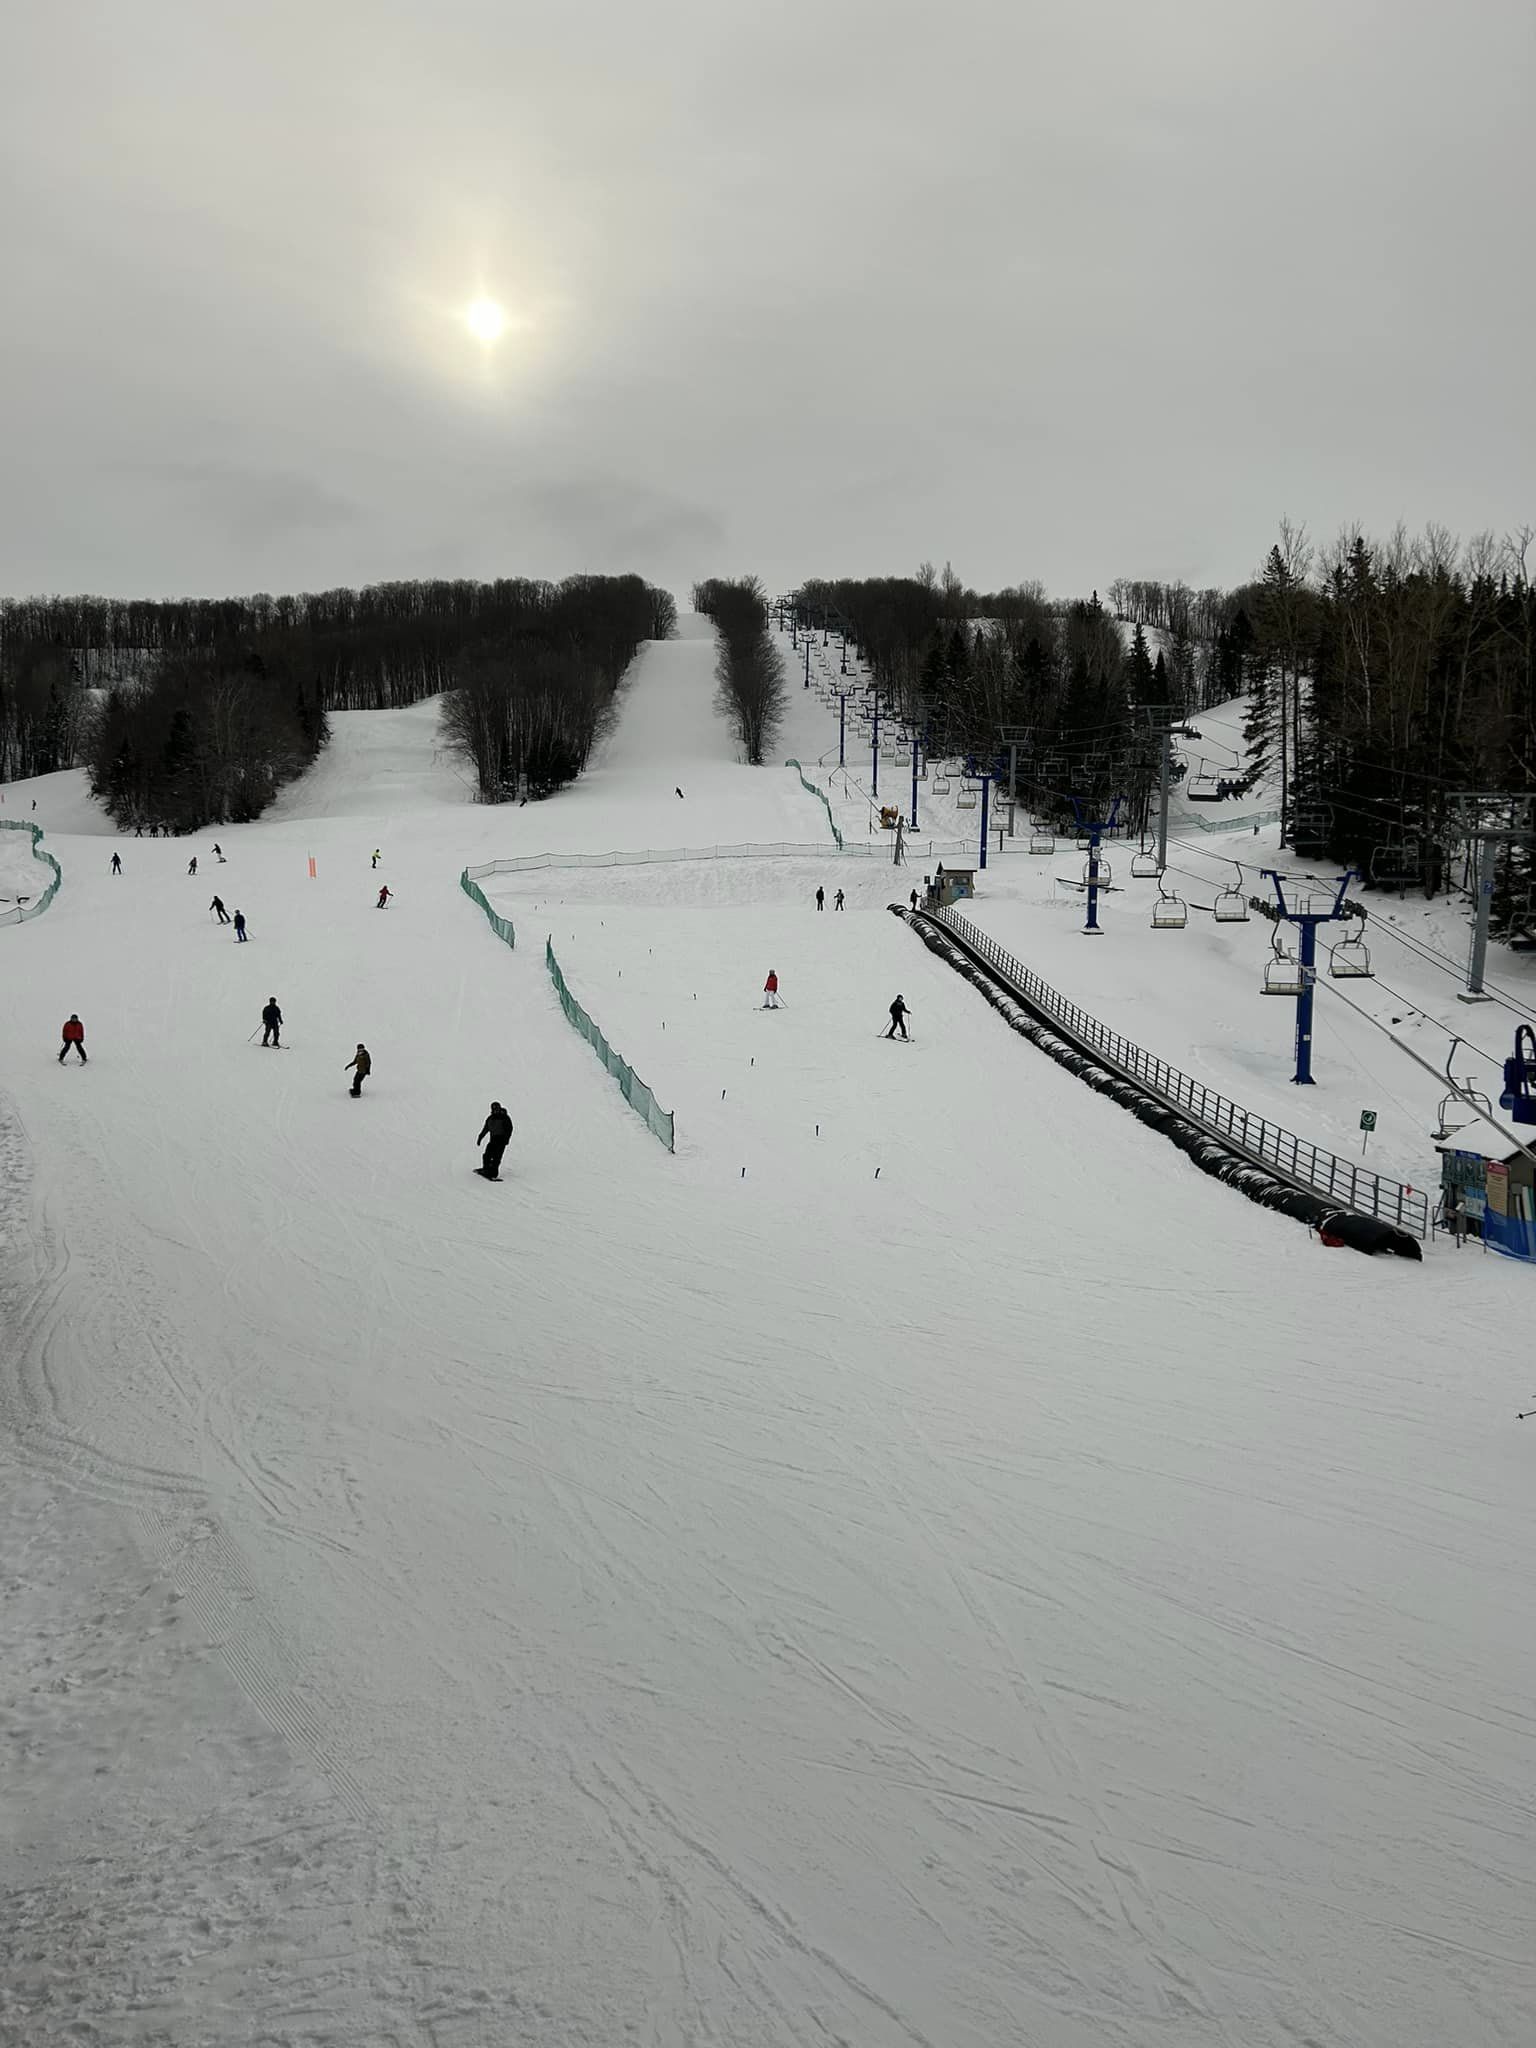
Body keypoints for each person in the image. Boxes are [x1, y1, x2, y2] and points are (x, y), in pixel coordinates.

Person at [477, 1101, 513, 1179]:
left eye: (497, 1109)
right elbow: (486, 1128)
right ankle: (486, 1169)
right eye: (494, 1109)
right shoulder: (490, 1118)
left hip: (501, 1140)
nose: (496, 1111)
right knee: (487, 1155)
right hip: (493, 1139)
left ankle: (493, 1173)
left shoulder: (504, 1118)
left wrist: (506, 1139)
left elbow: (509, 1129)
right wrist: (480, 1137)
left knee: (497, 1157)